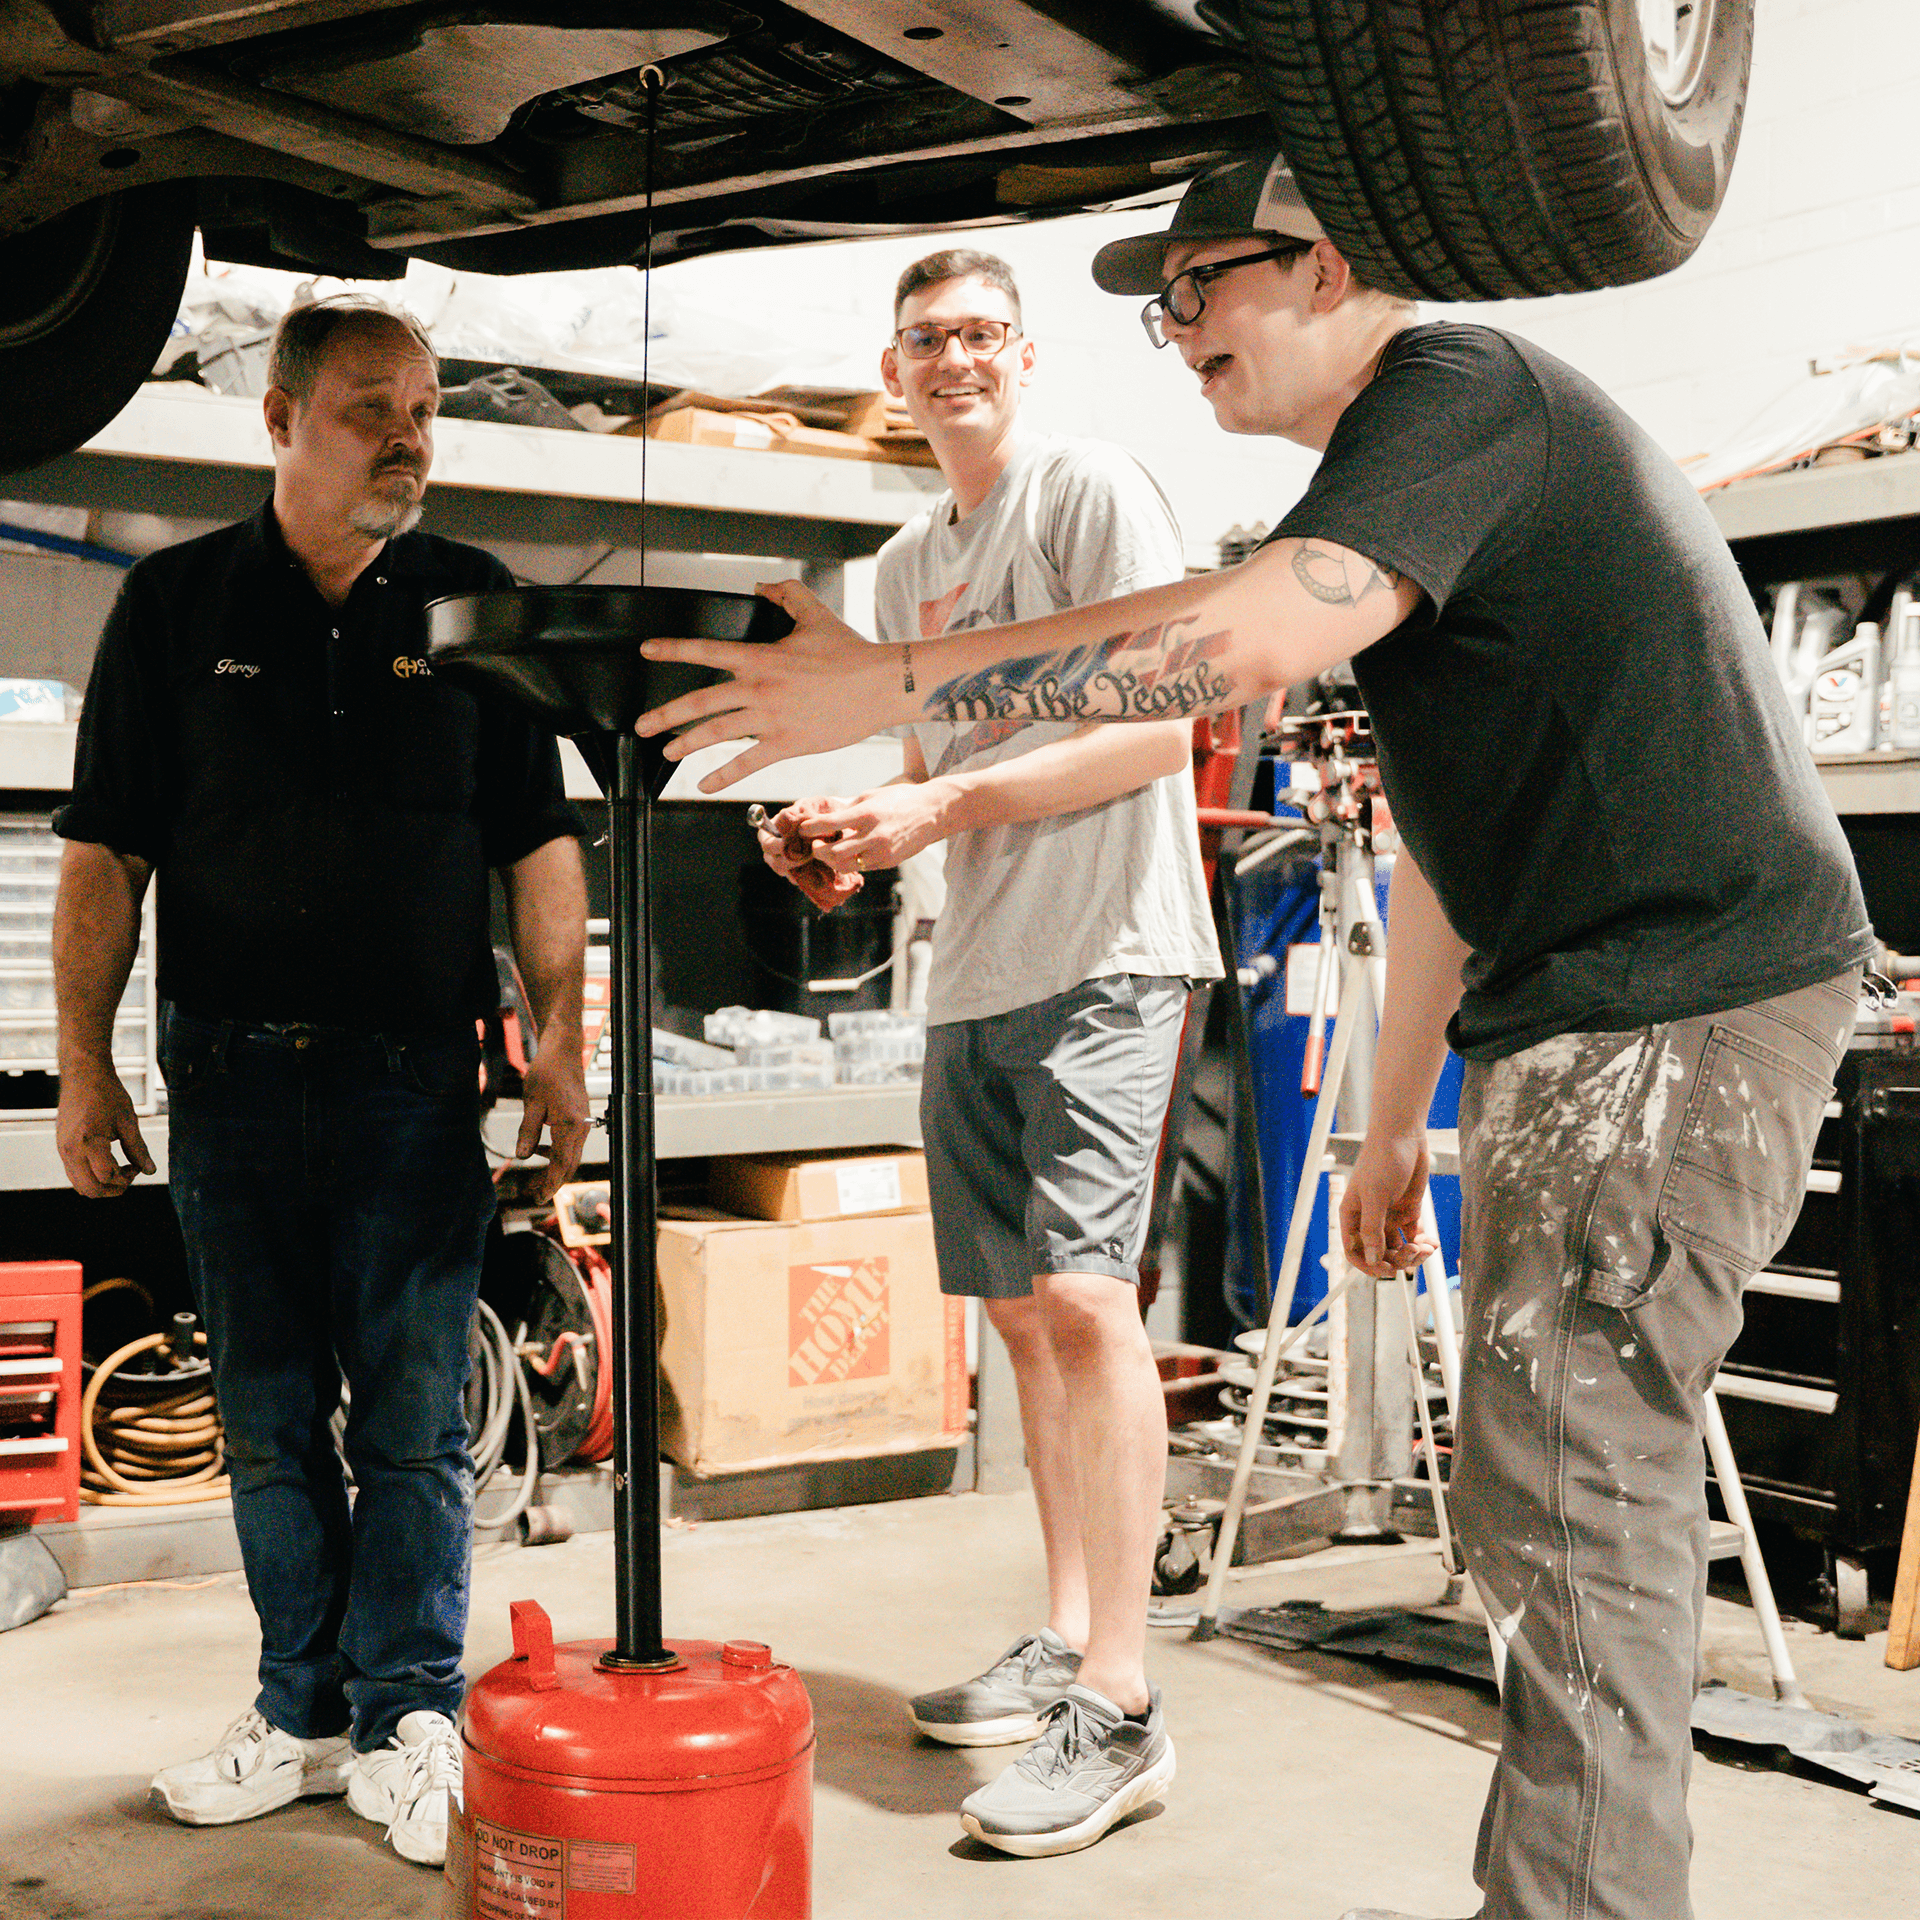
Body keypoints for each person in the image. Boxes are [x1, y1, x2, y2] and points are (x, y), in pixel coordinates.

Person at [636, 153, 1873, 1920]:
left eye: (1197, 288)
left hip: (1680, 997)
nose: (1177, 331)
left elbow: (1223, 646)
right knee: (1545, 1512)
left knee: (1576, 1502)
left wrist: (897, 689)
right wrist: (1388, 1126)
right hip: (1595, 1007)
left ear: (1327, 263)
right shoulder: (1399, 489)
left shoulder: (1462, 391)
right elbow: (1453, 849)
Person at [52, 295, 590, 1869]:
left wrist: (561, 1033)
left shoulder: (472, 602)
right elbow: (106, 855)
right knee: (272, 1420)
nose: (407, 438)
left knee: (415, 1425)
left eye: (423, 409)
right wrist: (82, 1065)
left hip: (415, 1088)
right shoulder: (170, 603)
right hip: (225, 1080)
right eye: (370, 408)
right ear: (279, 421)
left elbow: (538, 846)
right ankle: (302, 1712)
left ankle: (413, 1710)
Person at [755, 248, 1220, 1857]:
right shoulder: (902, 560)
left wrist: (937, 804)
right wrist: (845, 835)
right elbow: (940, 758)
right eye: (921, 341)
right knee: (1023, 1324)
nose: (950, 360)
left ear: (1023, 355)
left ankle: (1124, 1703)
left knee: (1092, 1304)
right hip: (979, 968)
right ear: (892, 376)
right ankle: (1069, 1627)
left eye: (976, 334)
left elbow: (1167, 726)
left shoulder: (1087, 490)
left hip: (1107, 953)